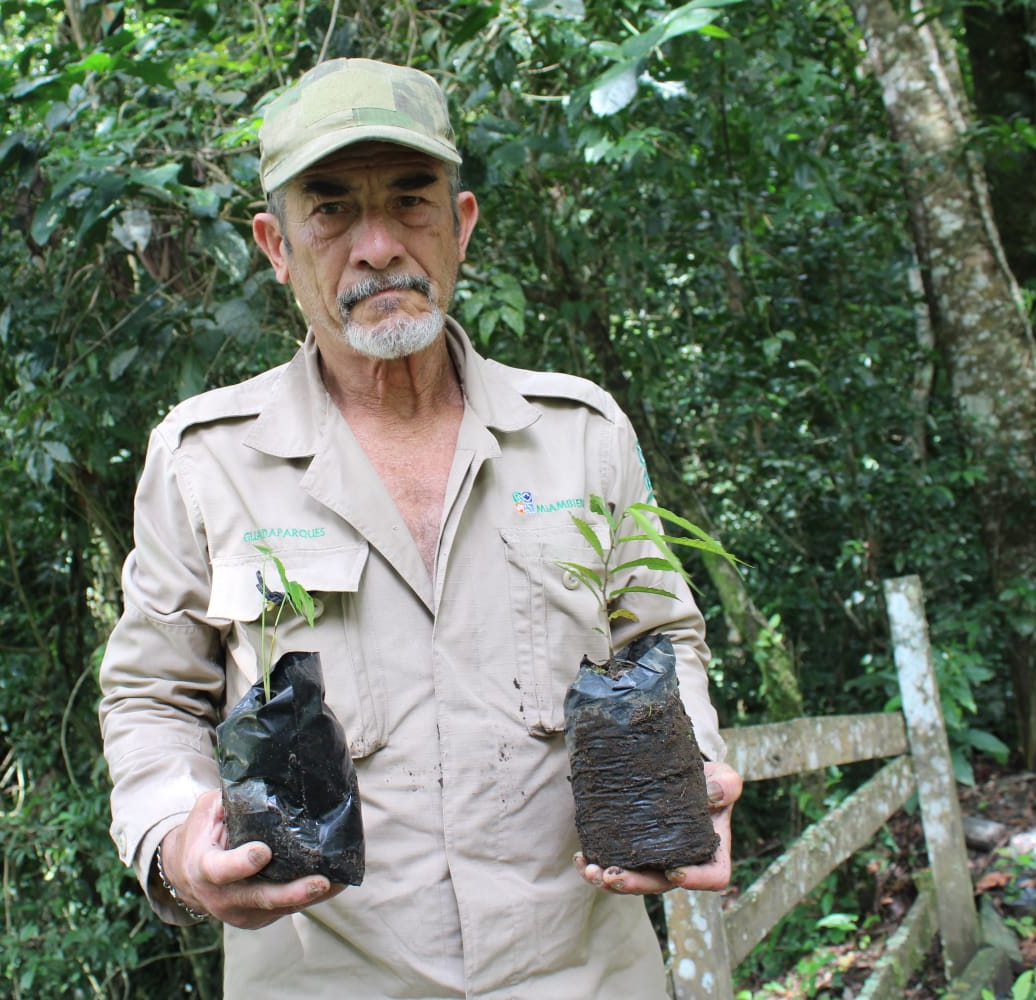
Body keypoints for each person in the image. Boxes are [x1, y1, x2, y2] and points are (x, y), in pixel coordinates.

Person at [99, 57, 743, 998]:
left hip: (585, 973)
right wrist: (175, 841)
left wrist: (697, 776)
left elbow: (659, 638)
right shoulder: (206, 460)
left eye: (411, 202)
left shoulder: (580, 434)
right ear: (277, 245)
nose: (377, 247)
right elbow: (152, 698)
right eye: (329, 210)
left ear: (460, 226)